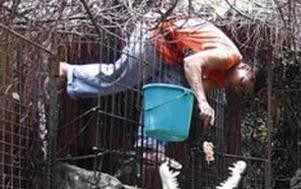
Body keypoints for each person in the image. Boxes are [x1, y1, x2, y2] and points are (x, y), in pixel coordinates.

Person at [59, 15, 263, 165]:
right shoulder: (229, 56)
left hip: (173, 55)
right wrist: (202, 102)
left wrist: (203, 113)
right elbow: (192, 64)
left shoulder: (222, 78)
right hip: (157, 34)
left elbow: (186, 95)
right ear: (243, 67)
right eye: (242, 83)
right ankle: (67, 72)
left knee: (170, 94)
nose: (237, 88)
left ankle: (150, 149)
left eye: (241, 91)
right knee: (119, 77)